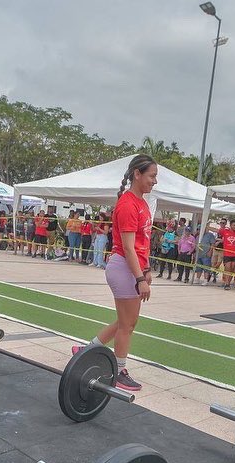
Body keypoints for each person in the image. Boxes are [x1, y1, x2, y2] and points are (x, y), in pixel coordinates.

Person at [72, 155, 156, 391]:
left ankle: (87, 349)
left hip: (133, 267)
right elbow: (128, 247)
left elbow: (142, 243)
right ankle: (119, 371)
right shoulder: (129, 204)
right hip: (124, 268)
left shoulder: (142, 204)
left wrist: (146, 269)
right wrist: (140, 278)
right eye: (152, 176)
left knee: (124, 321)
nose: (154, 181)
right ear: (137, 175)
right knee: (127, 325)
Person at [218, 220, 235, 290]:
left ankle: (228, 283)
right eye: (234, 225)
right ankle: (226, 282)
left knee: (232, 269)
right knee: (227, 268)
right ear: (230, 225)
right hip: (227, 254)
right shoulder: (225, 231)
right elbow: (217, 230)